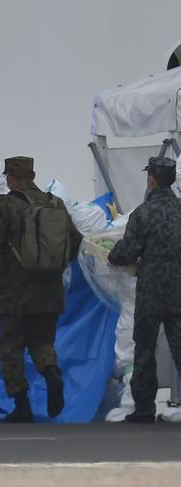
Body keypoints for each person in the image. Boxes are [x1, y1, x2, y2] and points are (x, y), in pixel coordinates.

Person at [0, 156, 82, 422]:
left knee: (11, 347)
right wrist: (50, 264)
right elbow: (75, 244)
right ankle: (52, 373)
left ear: (10, 179)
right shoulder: (55, 203)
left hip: (15, 291)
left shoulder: (7, 204)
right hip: (50, 290)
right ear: (33, 175)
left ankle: (22, 405)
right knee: (42, 342)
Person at [108, 155, 181, 423]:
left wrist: (111, 256)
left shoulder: (142, 214)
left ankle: (144, 409)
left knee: (145, 350)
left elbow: (126, 252)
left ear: (151, 180)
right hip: (179, 291)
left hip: (151, 292)